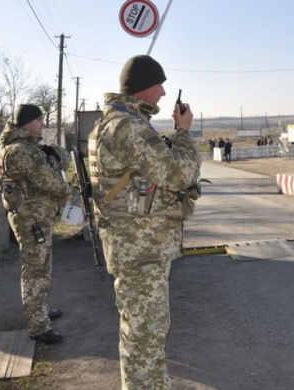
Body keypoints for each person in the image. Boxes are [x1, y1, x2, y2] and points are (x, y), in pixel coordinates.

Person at [87, 55, 201, 389]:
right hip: (140, 250)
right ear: (143, 88)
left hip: (134, 245)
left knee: (142, 334)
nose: (164, 93)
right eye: (159, 85)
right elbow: (180, 174)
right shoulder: (128, 127)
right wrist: (182, 132)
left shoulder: (115, 122)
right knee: (145, 337)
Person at [0, 104, 71, 344]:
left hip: (35, 216)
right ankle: (38, 326)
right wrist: (64, 190)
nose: (42, 124)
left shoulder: (23, 147)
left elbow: (60, 162)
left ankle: (40, 310)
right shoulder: (20, 150)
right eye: (39, 120)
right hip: (31, 219)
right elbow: (50, 179)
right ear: (27, 122)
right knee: (36, 270)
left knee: (41, 267)